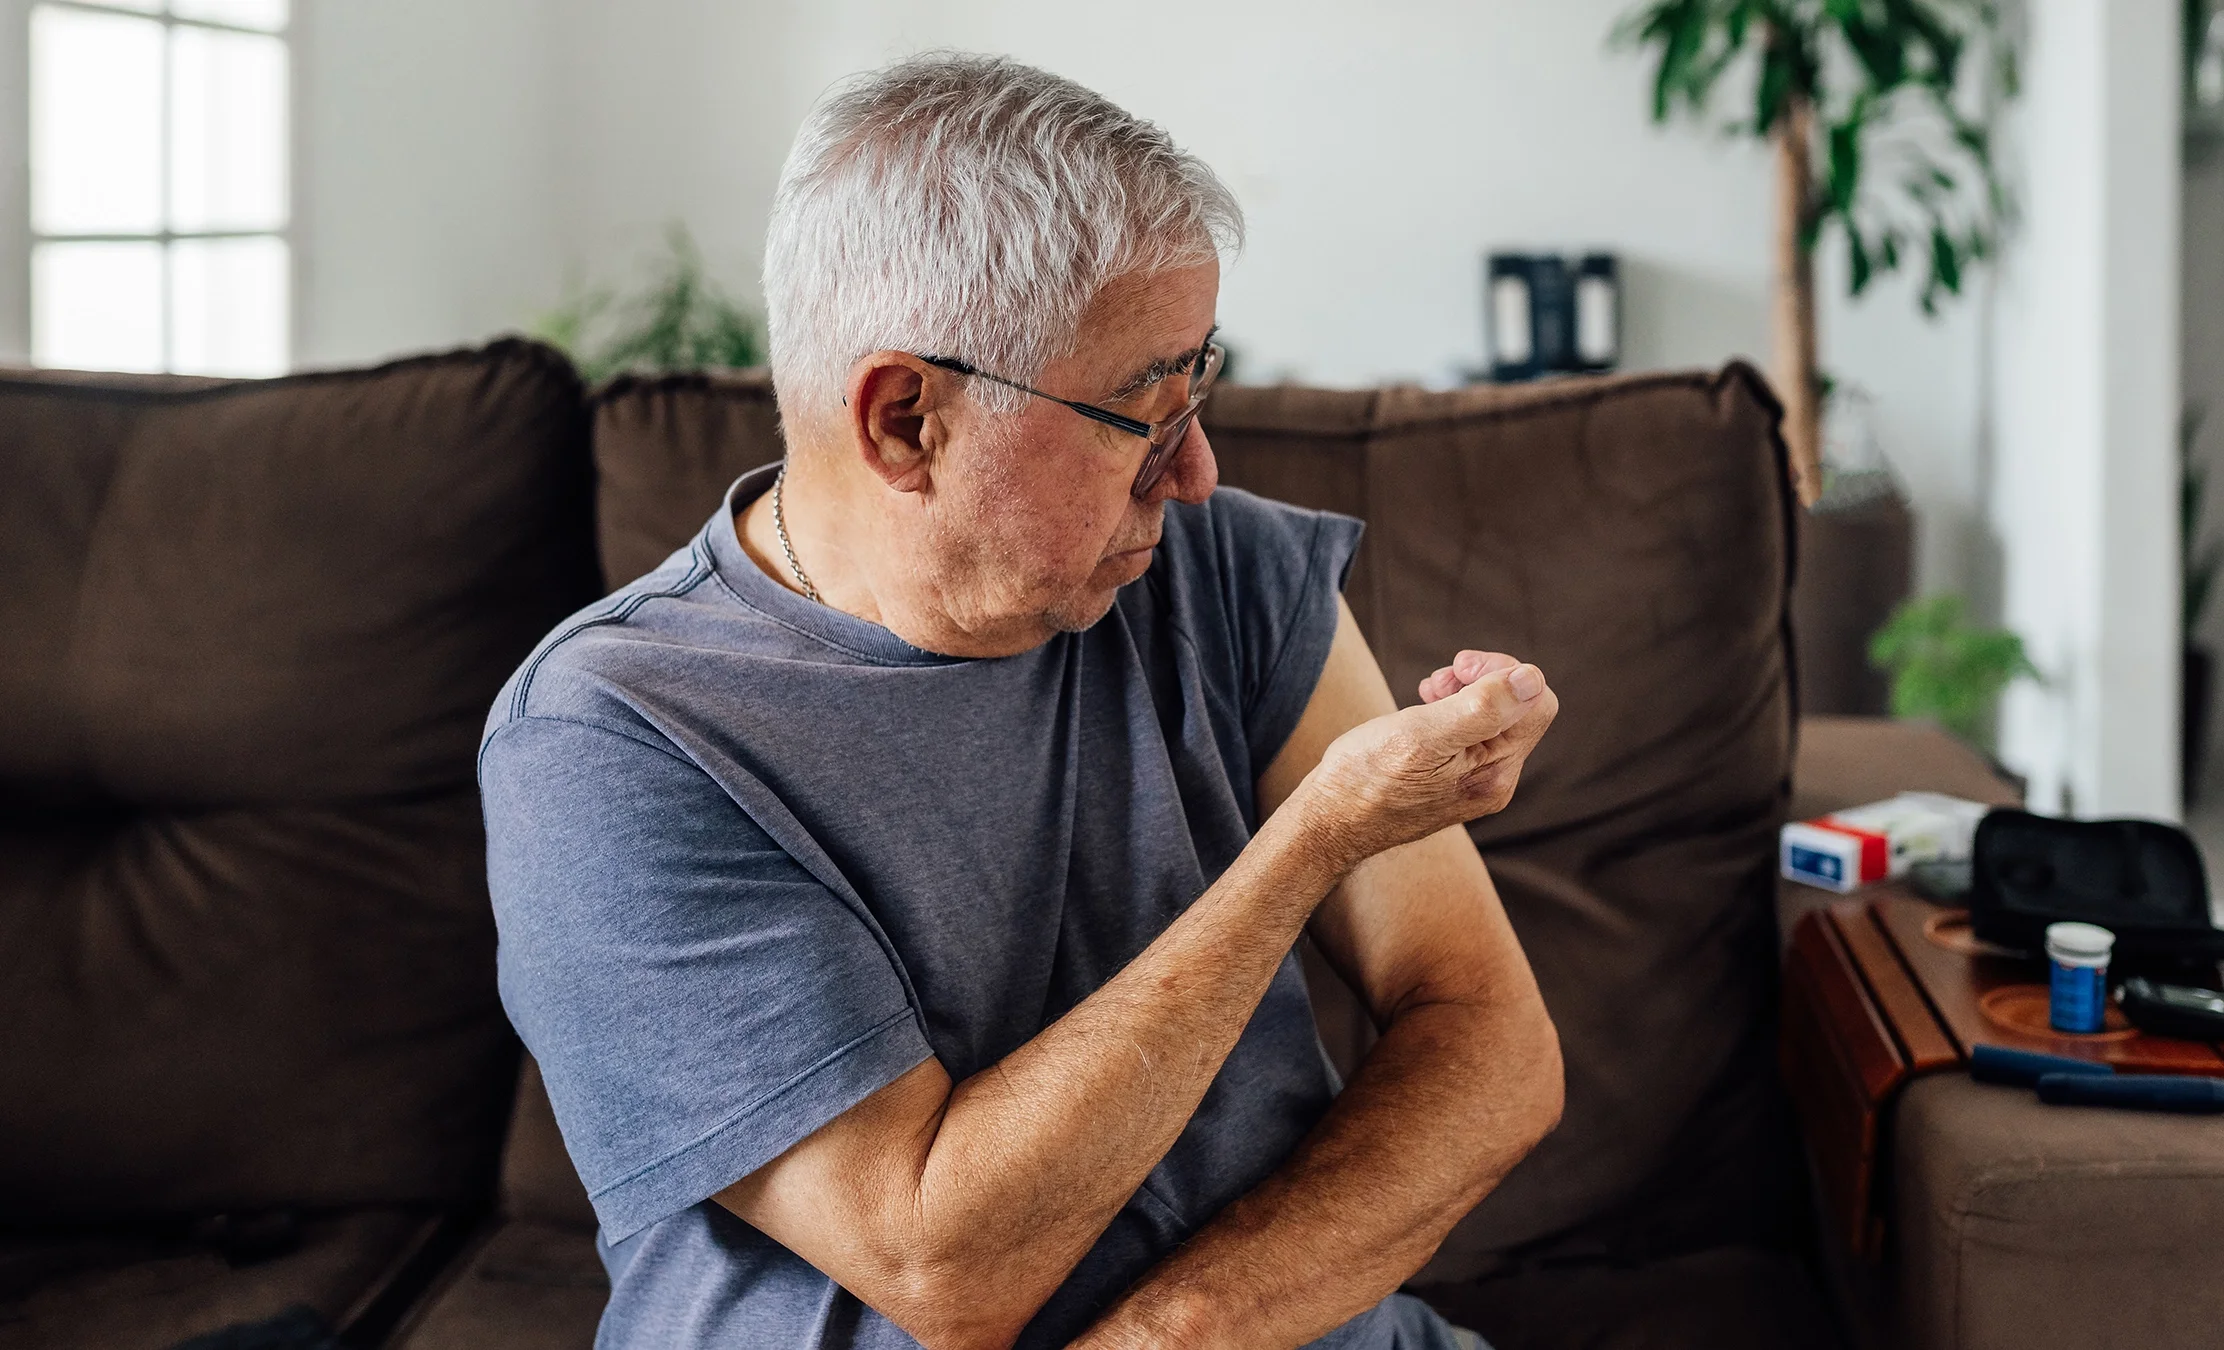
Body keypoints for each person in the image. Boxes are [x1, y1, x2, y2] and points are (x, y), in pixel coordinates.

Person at [479, 53, 1563, 1350]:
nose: (1198, 469)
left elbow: (1497, 1046)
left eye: (1200, 386)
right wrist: (1314, 838)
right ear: (904, 421)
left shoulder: (1223, 573)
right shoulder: (613, 735)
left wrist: (1191, 1330)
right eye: (1141, 411)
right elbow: (942, 1262)